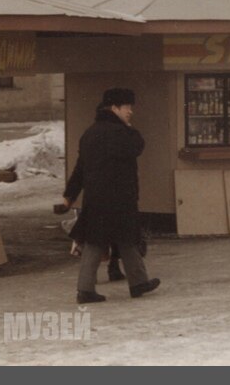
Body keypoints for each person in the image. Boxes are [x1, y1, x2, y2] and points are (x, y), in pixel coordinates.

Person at [61, 88, 159, 304]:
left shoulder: (90, 133)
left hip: (96, 198)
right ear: (114, 108)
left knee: (100, 242)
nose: (130, 112)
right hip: (120, 198)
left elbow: (80, 168)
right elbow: (138, 146)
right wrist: (130, 129)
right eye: (127, 107)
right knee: (126, 240)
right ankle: (131, 284)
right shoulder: (121, 133)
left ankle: (127, 284)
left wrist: (69, 196)